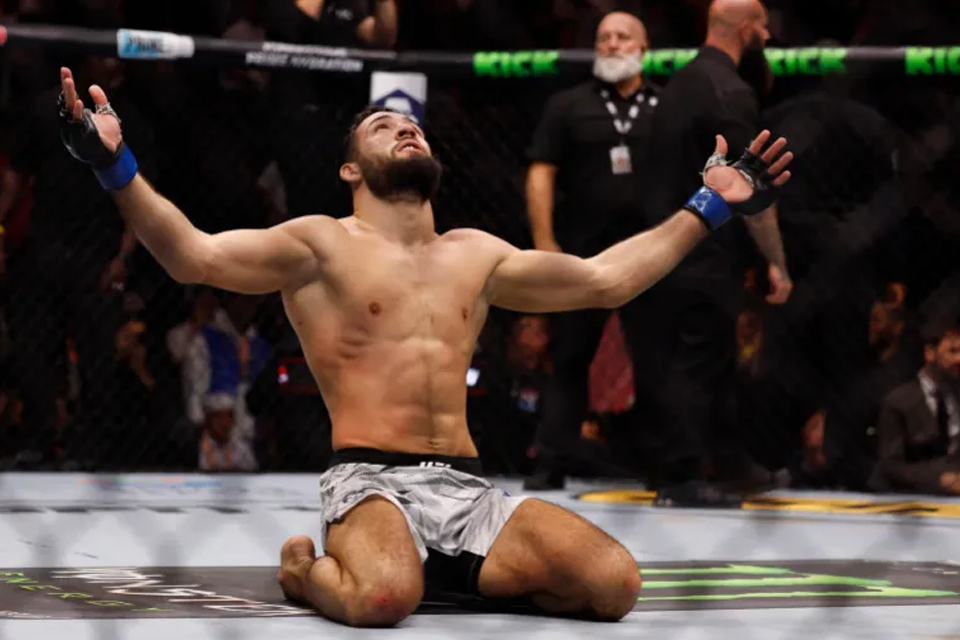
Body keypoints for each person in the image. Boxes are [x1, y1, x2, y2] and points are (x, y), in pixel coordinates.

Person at [56, 66, 792, 627]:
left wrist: (710, 206)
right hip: (369, 480)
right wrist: (113, 166)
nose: (405, 129)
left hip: (467, 487)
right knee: (381, 595)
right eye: (381, 127)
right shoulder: (319, 244)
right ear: (350, 170)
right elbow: (196, 257)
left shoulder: (477, 254)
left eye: (413, 127)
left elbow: (606, 279)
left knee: (614, 584)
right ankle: (306, 571)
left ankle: (452, 569)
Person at [637, 0, 793, 507]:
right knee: (698, 362)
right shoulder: (729, 90)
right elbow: (749, 188)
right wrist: (777, 261)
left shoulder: (677, 85)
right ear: (746, 28)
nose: (767, 37)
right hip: (704, 248)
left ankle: (711, 464)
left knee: (683, 359)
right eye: (763, 26)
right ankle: (681, 477)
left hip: (661, 242)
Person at [523, 11, 661, 490]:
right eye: (603, 37)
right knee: (570, 355)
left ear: (643, 47)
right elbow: (541, 171)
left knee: (657, 358)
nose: (612, 44)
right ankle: (550, 460)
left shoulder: (668, 104)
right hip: (583, 252)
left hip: (651, 252)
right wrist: (544, 242)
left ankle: (664, 464)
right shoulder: (568, 105)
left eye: (624, 36)